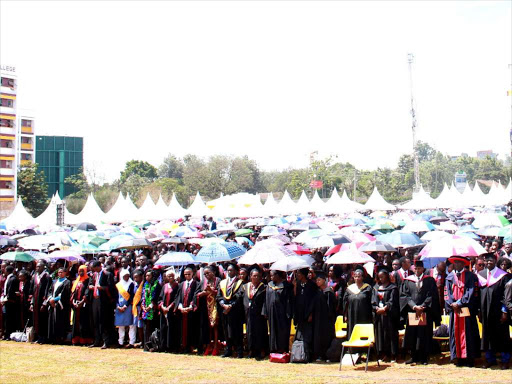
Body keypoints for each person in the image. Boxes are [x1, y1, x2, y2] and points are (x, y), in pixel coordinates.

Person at [400, 260, 440, 365]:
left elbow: (432, 295)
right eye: (415, 269)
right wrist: (414, 306)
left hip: (425, 311)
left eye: (419, 268)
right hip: (413, 312)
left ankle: (424, 357)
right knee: (413, 334)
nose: (417, 271)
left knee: (424, 334)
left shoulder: (430, 280)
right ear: (413, 269)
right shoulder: (408, 281)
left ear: (423, 269)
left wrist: (423, 306)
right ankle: (413, 356)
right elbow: (405, 296)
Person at [444, 256, 480, 367]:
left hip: (466, 309)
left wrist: (460, 303)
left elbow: (471, 292)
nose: (458, 264)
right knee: (455, 333)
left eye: (460, 262)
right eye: (456, 262)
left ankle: (469, 359)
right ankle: (457, 358)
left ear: (464, 264)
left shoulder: (471, 276)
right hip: (454, 311)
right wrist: (452, 304)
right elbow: (447, 293)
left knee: (468, 333)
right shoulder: (449, 277)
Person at [477, 253, 511, 369]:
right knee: (487, 336)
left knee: (502, 335)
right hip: (485, 312)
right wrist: (479, 311)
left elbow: (507, 296)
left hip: (499, 312)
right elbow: (478, 295)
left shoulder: (503, 276)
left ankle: (505, 360)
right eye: (487, 260)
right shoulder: (481, 275)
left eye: (491, 260)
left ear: (495, 261)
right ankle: (490, 359)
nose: (489, 262)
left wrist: (504, 311)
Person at [371, 268, 400, 363]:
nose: (381, 278)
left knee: (390, 335)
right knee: (380, 334)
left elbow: (393, 301)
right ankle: (381, 354)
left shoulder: (393, 287)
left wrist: (385, 308)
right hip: (379, 316)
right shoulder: (375, 287)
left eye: (382, 276)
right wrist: (376, 308)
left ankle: (392, 355)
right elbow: (373, 301)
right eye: (379, 277)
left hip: (389, 315)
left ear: (387, 276)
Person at [217, 262, 244, 358]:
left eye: (231, 270)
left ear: (236, 271)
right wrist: (223, 305)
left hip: (235, 311)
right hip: (225, 310)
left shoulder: (240, 283)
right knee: (226, 330)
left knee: (237, 331)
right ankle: (228, 350)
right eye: (228, 270)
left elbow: (239, 296)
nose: (229, 272)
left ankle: (239, 351)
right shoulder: (223, 283)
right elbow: (219, 296)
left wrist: (231, 306)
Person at [263, 269, 294, 354]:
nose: (271, 277)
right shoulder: (269, 285)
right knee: (273, 329)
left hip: (282, 313)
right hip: (272, 312)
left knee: (282, 331)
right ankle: (273, 349)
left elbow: (289, 301)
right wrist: (265, 311)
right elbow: (266, 299)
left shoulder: (287, 286)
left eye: (272, 275)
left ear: (278, 275)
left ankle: (282, 349)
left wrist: (289, 313)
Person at [241, 268, 268, 360]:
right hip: (248, 313)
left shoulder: (263, 287)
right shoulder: (245, 287)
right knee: (250, 332)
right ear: (250, 276)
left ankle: (260, 350)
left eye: (258, 276)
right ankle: (251, 350)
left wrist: (264, 312)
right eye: (254, 276)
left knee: (259, 332)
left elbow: (265, 301)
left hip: (259, 314)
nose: (256, 277)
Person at [89, 260, 116, 349]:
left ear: (99, 266)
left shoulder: (107, 274)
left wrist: (102, 288)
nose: (94, 270)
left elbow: (111, 287)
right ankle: (97, 340)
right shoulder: (94, 275)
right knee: (95, 320)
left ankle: (106, 341)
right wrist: (91, 287)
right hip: (95, 299)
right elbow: (90, 284)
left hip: (104, 301)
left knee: (103, 321)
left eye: (95, 268)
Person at [293, 267, 317, 362]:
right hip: (300, 313)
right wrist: (294, 286)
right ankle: (300, 353)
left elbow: (313, 301)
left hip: (308, 313)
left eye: (299, 274)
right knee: (300, 333)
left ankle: (309, 354)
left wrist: (310, 314)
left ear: (303, 274)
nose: (297, 275)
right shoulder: (298, 284)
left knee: (308, 334)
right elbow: (295, 297)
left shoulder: (311, 285)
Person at [196, 265, 221, 356]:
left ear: (213, 272)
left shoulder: (218, 280)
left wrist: (211, 290)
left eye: (208, 273)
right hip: (205, 307)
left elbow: (220, 292)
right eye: (205, 274)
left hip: (215, 306)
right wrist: (203, 293)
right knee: (207, 327)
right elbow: (197, 293)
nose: (206, 275)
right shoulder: (203, 282)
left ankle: (215, 345)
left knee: (215, 326)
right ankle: (208, 345)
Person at [343, 268, 373, 340]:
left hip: (364, 314)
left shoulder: (367, 288)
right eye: (355, 276)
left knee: (363, 329)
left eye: (359, 276)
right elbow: (345, 303)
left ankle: (364, 348)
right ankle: (353, 348)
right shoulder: (349, 289)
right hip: (351, 314)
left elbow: (371, 301)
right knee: (352, 328)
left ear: (362, 277)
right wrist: (345, 315)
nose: (357, 278)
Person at [312, 271, 336, 362]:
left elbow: (331, 307)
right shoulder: (317, 292)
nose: (317, 281)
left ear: (324, 280)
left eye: (319, 280)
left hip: (327, 320)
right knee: (318, 337)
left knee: (327, 337)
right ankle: (319, 355)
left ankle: (328, 355)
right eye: (316, 280)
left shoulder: (328, 292)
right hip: (318, 319)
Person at [175, 266, 198, 353]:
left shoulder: (196, 284)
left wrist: (190, 307)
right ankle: (183, 346)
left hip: (191, 312)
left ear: (192, 274)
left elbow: (195, 297)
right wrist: (180, 307)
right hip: (182, 311)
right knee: (182, 329)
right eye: (185, 274)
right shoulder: (181, 284)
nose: (187, 276)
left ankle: (190, 347)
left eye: (189, 274)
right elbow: (178, 297)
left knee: (191, 329)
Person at [70, 265, 93, 346]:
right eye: (80, 271)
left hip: (84, 306)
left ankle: (84, 340)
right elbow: (73, 292)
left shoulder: (88, 280)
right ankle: (76, 340)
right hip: (76, 305)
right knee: (76, 323)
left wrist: (82, 302)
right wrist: (73, 301)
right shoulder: (76, 281)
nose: (81, 272)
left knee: (84, 323)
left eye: (83, 271)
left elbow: (87, 292)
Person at [29, 260, 52, 344]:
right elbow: (32, 290)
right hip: (35, 302)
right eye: (36, 267)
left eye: (39, 267)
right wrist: (31, 303)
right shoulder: (35, 276)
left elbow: (47, 290)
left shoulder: (47, 277)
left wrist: (44, 303)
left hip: (42, 302)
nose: (37, 268)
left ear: (43, 267)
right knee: (35, 319)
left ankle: (43, 337)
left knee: (43, 319)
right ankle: (37, 336)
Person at [47, 268, 72, 344]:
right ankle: (52, 338)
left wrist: (55, 300)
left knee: (60, 321)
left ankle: (60, 338)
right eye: (59, 272)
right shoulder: (54, 281)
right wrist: (51, 299)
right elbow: (50, 291)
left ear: (65, 273)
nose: (60, 274)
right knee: (52, 320)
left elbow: (64, 294)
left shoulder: (67, 282)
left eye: (61, 272)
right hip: (52, 304)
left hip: (61, 305)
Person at [158, 269, 179, 353]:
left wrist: (169, 307)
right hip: (164, 311)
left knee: (172, 328)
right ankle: (163, 346)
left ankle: (171, 346)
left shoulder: (177, 286)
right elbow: (160, 298)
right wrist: (162, 307)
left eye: (172, 276)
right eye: (168, 276)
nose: (170, 277)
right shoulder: (164, 286)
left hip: (172, 311)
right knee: (163, 328)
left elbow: (177, 298)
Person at [141, 269, 161, 352]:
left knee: (153, 328)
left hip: (154, 311)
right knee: (146, 329)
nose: (147, 277)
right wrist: (143, 306)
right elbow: (143, 297)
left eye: (148, 275)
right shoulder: (145, 285)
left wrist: (151, 306)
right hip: (145, 310)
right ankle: (146, 346)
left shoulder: (157, 285)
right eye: (146, 275)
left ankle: (154, 346)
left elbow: (157, 298)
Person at [115, 269, 136, 348]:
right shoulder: (118, 285)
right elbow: (116, 297)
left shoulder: (131, 284)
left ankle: (131, 342)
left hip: (128, 306)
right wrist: (118, 306)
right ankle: (120, 342)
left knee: (131, 324)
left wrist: (125, 306)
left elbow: (131, 296)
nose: (127, 277)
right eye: (125, 276)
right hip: (119, 306)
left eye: (128, 276)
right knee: (121, 325)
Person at [1, 265, 19, 339]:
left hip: (10, 302)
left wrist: (6, 299)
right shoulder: (8, 278)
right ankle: (6, 334)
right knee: (6, 318)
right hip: (6, 300)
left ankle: (9, 334)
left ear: (7, 271)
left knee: (9, 319)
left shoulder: (12, 279)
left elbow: (11, 291)